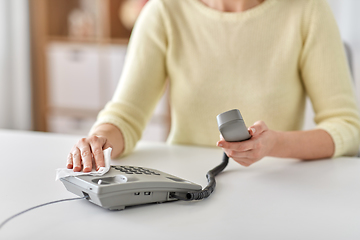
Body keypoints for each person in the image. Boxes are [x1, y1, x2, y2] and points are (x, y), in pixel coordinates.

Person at [66, 0, 360, 172]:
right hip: (185, 188)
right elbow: (125, 116)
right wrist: (98, 141)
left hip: (278, 183)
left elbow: (347, 126)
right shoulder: (164, 11)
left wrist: (274, 144)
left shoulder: (308, 10)